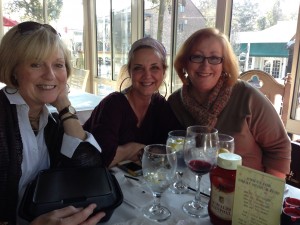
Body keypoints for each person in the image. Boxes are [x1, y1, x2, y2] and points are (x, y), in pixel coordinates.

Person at [0, 21, 105, 224]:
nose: (50, 75)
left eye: (58, 65)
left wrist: (64, 106)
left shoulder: (51, 121)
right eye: (36, 64)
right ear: (14, 70)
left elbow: (89, 169)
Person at [168, 28, 291, 179]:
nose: (205, 65)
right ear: (184, 62)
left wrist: (268, 195)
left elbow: (279, 148)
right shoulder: (175, 102)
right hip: (193, 189)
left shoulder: (247, 96)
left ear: (224, 64)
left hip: (245, 191)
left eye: (214, 58)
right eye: (197, 57)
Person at [84, 37, 182, 167]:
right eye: (138, 68)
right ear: (130, 71)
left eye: (154, 68)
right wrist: (131, 149)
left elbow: (175, 148)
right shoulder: (113, 104)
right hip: (93, 181)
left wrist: (126, 152)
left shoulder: (160, 105)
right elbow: (99, 159)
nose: (147, 75)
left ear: (163, 72)